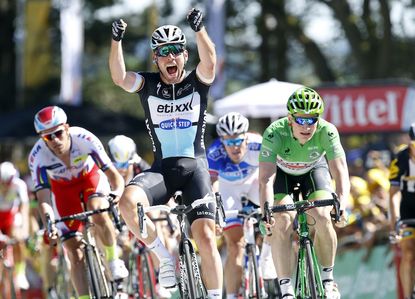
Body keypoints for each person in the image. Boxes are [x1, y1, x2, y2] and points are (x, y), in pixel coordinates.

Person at [109, 7, 223, 298]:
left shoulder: (196, 81)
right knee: (127, 203)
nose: (170, 57)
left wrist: (199, 30)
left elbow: (211, 62)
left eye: (176, 50)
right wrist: (116, 41)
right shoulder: (148, 85)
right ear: (155, 59)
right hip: (162, 170)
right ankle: (163, 258)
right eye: (163, 52)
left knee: (206, 238)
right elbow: (120, 77)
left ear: (185, 55)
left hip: (194, 168)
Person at [27, 106, 129, 299]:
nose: (55, 140)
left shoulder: (84, 138)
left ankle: (113, 260)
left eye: (58, 133)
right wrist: (49, 224)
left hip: (89, 179)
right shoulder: (37, 156)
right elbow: (43, 198)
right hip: (63, 191)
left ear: (67, 128)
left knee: (97, 209)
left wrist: (116, 193)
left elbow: (114, 176)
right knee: (74, 252)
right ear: (42, 138)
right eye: (49, 137)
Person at [258, 87, 350, 299]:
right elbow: (265, 178)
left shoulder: (327, 131)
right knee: (282, 221)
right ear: (290, 118)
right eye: (301, 120)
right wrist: (267, 211)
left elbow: (340, 171)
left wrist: (342, 204)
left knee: (322, 215)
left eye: (312, 119)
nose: (307, 126)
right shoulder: (275, 132)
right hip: (281, 174)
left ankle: (328, 280)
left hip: (313, 170)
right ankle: (286, 288)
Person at [207, 112, 277, 298]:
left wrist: (266, 210)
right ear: (222, 142)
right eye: (228, 143)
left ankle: (266, 255)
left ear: (246, 137)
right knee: (235, 245)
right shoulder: (215, 152)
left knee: (272, 220)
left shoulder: (258, 144)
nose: (234, 147)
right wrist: (216, 215)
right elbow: (212, 185)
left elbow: (268, 179)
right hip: (228, 189)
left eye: (237, 141)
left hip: (255, 183)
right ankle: (231, 295)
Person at [389, 123, 415, 299]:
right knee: (408, 252)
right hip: (407, 208)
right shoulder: (401, 159)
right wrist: (395, 222)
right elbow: (394, 194)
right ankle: (407, 296)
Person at [0, 161, 30, 290]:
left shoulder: (19, 185)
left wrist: (24, 229)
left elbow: (24, 208)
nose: (5, 187)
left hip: (11, 216)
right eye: (2, 183)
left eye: (8, 184)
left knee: (18, 238)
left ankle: (20, 272)